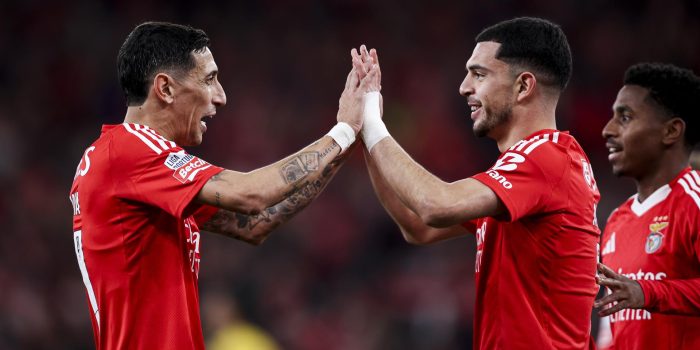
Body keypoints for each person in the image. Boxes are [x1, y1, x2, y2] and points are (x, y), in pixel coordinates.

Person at [68, 22, 378, 349]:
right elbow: (251, 194)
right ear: (166, 88)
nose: (221, 97)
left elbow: (256, 224)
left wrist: (348, 140)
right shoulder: (127, 152)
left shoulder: (133, 169)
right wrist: (342, 131)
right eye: (210, 79)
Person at [353, 17, 600, 349]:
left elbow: (434, 205)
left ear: (524, 86)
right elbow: (416, 226)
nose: (464, 86)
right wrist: (367, 134)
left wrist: (372, 123)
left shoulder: (547, 160)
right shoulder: (527, 169)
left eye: (480, 74)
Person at [595, 63, 700, 349]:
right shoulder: (617, 220)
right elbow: (613, 328)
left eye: (625, 117)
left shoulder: (694, 202)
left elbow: (642, 293)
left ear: (671, 131)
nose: (607, 130)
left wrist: (648, 292)